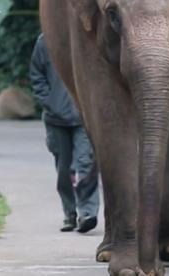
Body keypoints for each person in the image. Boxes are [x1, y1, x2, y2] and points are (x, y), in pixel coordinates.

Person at [30, 33, 100, 233]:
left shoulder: (88, 39)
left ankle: (88, 212)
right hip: (55, 119)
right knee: (63, 171)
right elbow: (37, 75)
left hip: (84, 118)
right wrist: (49, 102)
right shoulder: (45, 41)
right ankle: (69, 214)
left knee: (85, 163)